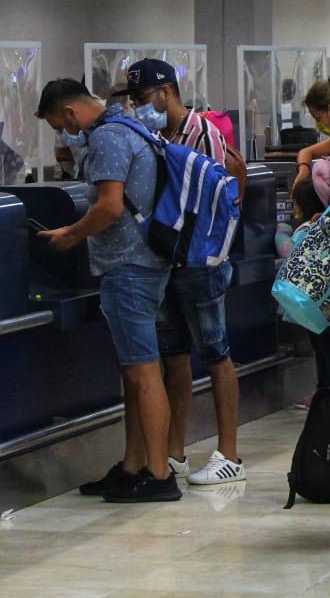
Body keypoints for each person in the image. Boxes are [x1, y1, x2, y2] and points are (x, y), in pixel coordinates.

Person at [36, 79, 179, 502]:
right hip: (144, 263)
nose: (63, 135)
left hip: (129, 267)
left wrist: (72, 235)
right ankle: (135, 464)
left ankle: (158, 474)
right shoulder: (132, 128)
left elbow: (110, 206)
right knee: (134, 372)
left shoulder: (109, 139)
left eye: (57, 126)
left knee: (144, 372)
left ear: (70, 114)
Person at [119, 59, 248, 487]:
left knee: (216, 352)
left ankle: (229, 453)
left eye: (143, 98)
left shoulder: (203, 134)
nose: (140, 106)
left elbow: (212, 198)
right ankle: (174, 450)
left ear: (166, 92)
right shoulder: (156, 136)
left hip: (199, 263)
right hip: (165, 262)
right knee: (174, 357)